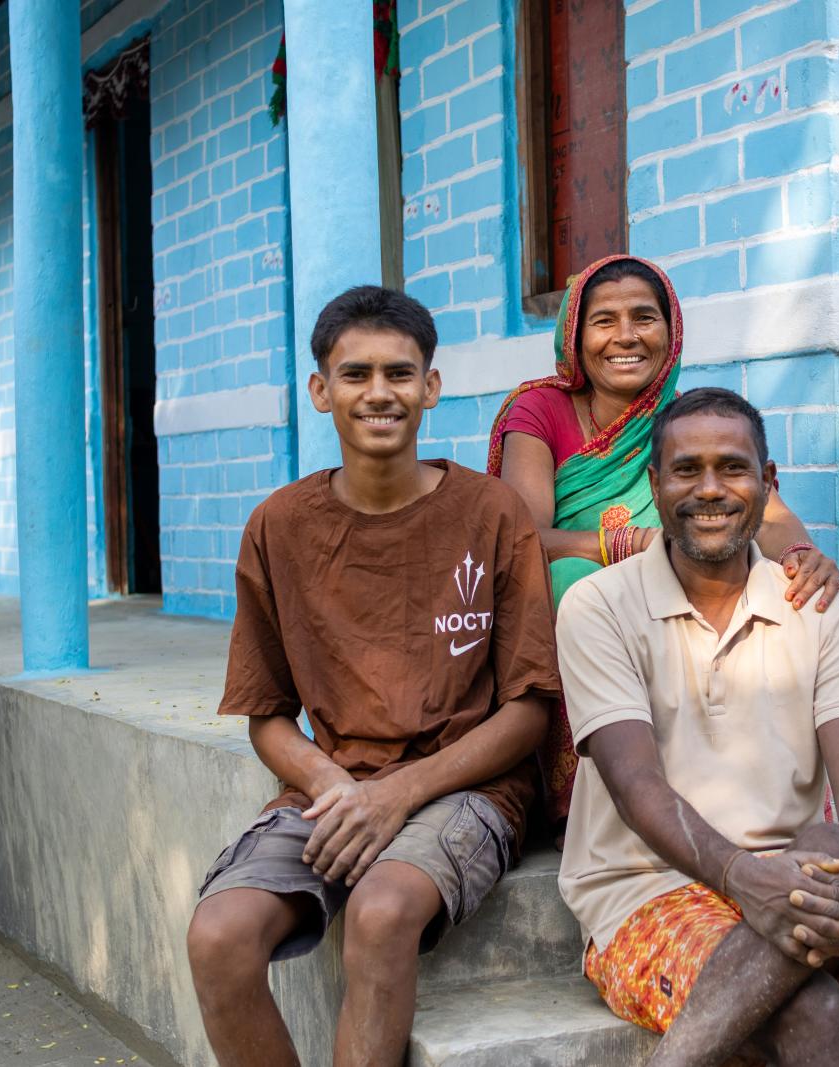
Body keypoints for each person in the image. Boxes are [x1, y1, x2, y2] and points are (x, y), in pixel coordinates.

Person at [185, 286, 561, 1067]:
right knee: (217, 936)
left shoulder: (492, 513)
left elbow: (527, 711)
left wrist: (397, 793)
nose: (379, 393)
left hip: (469, 787)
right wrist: (333, 782)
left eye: (400, 372)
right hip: (334, 789)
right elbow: (266, 713)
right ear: (321, 390)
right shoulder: (279, 525)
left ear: (431, 386)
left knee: (383, 911)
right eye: (355, 374)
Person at [555, 387, 839, 1065]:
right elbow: (636, 786)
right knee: (808, 1007)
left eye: (734, 468)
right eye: (687, 470)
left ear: (768, 482)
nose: (711, 490)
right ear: (655, 485)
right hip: (647, 891)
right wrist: (744, 877)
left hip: (798, 881)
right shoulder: (597, 605)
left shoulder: (816, 603)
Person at [487, 254, 839, 822]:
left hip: (676, 584)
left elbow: (772, 515)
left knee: (776, 591)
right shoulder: (540, 410)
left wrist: (804, 558)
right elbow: (520, 537)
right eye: (603, 320)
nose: (625, 336)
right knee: (572, 582)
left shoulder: (687, 418)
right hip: (591, 587)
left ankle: (751, 787)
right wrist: (620, 548)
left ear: (671, 329)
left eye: (644, 317)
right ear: (574, 336)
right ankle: (593, 798)